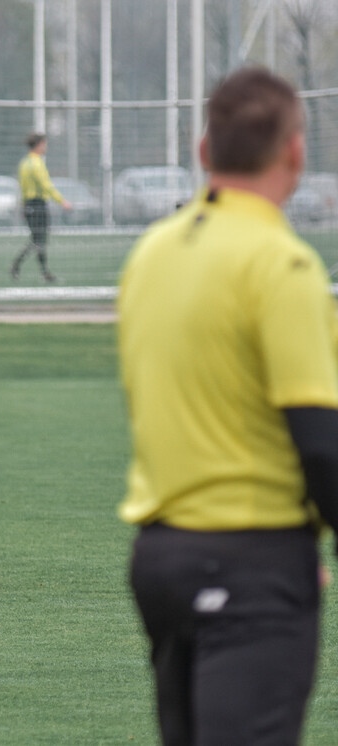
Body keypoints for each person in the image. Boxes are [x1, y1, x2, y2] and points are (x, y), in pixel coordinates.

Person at [117, 67, 338, 745]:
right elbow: (320, 441)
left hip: (160, 559)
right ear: (295, 153)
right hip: (250, 561)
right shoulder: (283, 265)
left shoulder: (150, 253)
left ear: (202, 149)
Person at [11, 133, 69, 282]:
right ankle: (37, 271)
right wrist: (62, 201)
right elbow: (46, 185)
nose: (46, 147)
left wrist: (24, 206)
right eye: (45, 144)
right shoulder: (37, 163)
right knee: (39, 240)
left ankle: (37, 270)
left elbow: (23, 187)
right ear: (39, 145)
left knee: (37, 240)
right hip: (38, 204)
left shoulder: (24, 163)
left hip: (29, 205)